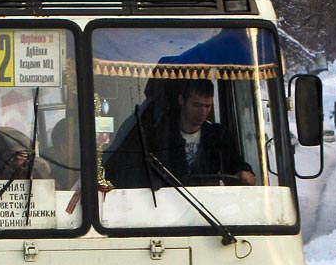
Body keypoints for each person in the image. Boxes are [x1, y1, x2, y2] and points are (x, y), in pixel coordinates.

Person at [104, 79, 255, 188]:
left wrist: (246, 174)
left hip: (209, 210)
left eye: (207, 106)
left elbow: (238, 167)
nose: (203, 112)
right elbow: (122, 171)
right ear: (182, 100)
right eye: (197, 105)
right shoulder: (156, 135)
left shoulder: (219, 136)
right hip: (163, 210)